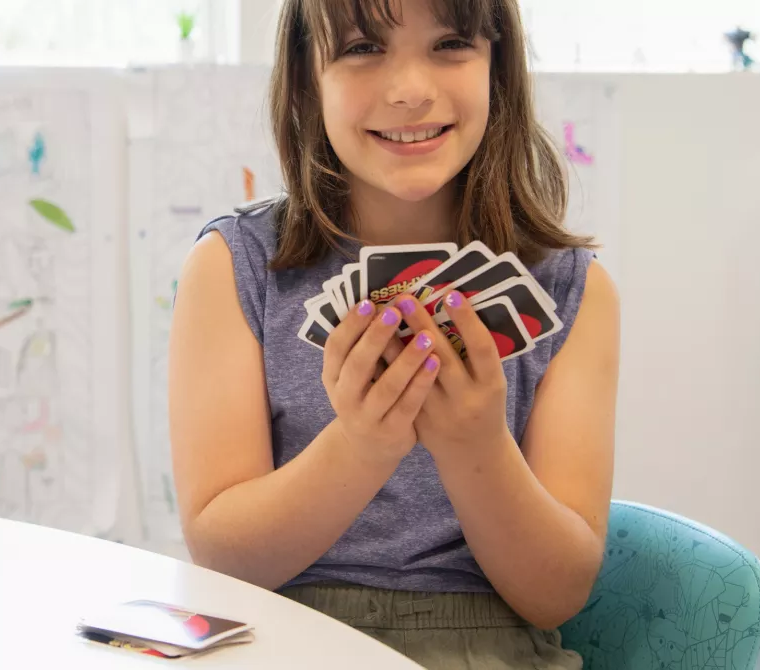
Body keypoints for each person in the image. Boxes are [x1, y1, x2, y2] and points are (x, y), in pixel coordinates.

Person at [167, 0, 620, 666]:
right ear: (305, 78)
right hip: (278, 639)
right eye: (361, 48)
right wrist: (360, 445)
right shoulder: (232, 268)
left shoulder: (572, 290)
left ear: (499, 68)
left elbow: (556, 593)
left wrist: (477, 445)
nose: (410, 89)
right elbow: (224, 558)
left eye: (450, 45)